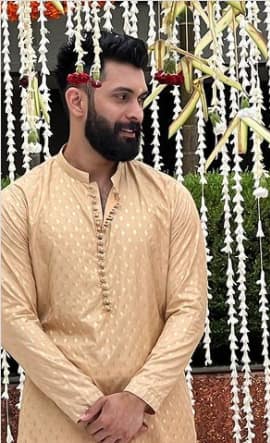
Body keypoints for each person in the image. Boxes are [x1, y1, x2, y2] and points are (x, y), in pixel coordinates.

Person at [1, 31, 207, 443]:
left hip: (155, 423)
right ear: (77, 101)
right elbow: (12, 318)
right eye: (121, 97)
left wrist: (138, 397)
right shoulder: (20, 203)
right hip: (60, 425)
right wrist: (92, 408)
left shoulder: (170, 199)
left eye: (140, 99)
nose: (137, 113)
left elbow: (189, 310)